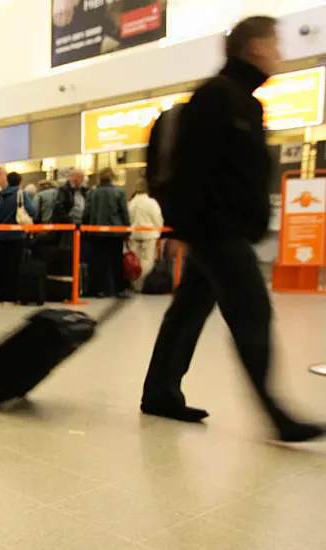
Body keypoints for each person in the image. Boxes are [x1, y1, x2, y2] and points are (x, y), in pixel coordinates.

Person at [141, 16, 324, 442]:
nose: (280, 52)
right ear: (255, 47)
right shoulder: (219, 97)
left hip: (223, 229)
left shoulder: (244, 100)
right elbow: (191, 167)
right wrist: (180, 227)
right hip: (216, 231)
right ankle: (277, 414)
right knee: (252, 313)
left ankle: (160, 392)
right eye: (275, 43)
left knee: (188, 311)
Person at [82, 168, 130, 297]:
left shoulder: (92, 193)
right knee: (116, 260)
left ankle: (101, 289)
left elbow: (86, 213)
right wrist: (127, 229)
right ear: (112, 178)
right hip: (116, 233)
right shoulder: (120, 193)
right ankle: (118, 289)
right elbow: (124, 213)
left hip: (96, 233)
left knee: (99, 262)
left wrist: (85, 228)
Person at [0, 174, 39, 302]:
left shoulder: (1, 196)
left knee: (3, 265)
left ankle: (3, 294)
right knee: (15, 265)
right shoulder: (21, 194)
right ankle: (13, 294)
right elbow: (33, 211)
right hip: (17, 236)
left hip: (2, 235)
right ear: (20, 181)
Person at [127, 179, 164, 290]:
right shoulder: (151, 202)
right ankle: (143, 284)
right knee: (147, 260)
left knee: (135, 261)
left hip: (134, 234)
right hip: (149, 235)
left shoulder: (131, 203)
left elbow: (128, 218)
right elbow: (158, 219)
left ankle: (134, 283)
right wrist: (159, 229)